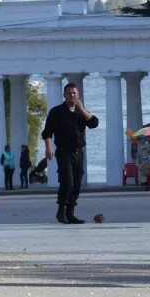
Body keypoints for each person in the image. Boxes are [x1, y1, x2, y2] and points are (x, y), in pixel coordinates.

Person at [42, 82, 99, 223]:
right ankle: (61, 211)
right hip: (63, 152)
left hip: (79, 152)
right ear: (64, 95)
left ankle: (70, 212)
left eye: (74, 93)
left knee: (77, 183)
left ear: (78, 95)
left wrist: (82, 110)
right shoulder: (56, 112)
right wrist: (48, 147)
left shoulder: (82, 113)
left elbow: (94, 124)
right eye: (69, 93)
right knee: (67, 182)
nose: (72, 95)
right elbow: (47, 132)